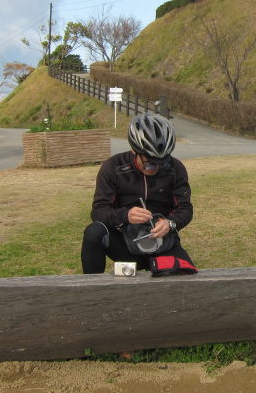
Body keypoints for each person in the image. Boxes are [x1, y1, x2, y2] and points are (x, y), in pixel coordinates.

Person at [81, 112, 194, 274]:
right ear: (134, 150)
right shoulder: (113, 167)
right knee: (94, 232)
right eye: (149, 164)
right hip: (126, 243)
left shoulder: (176, 169)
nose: (154, 169)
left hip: (163, 243)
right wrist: (126, 215)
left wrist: (170, 223)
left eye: (161, 164)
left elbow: (185, 209)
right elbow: (98, 211)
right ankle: (91, 291)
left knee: (186, 281)